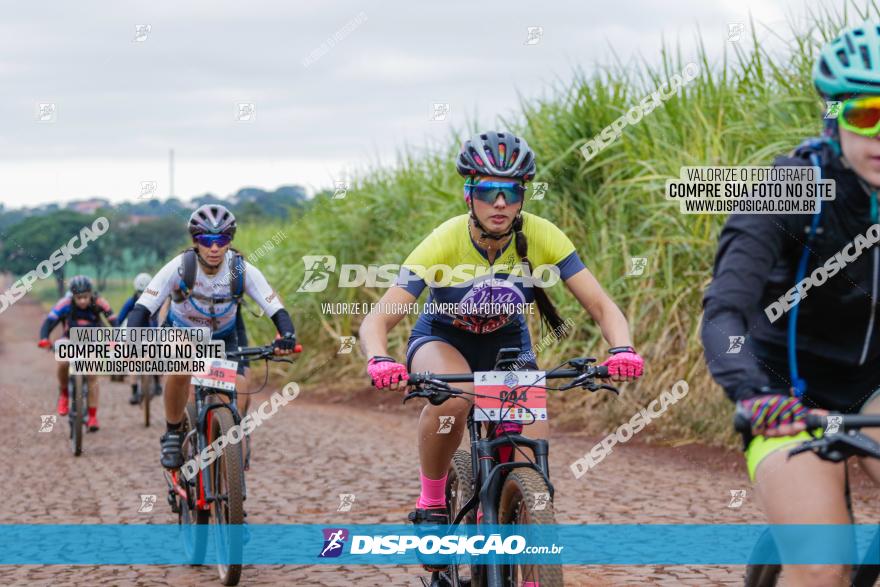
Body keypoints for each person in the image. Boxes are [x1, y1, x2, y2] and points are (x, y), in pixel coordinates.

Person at [359, 130, 643, 576]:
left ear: (521, 196)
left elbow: (603, 306)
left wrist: (622, 348)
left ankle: (519, 520)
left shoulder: (543, 236)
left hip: (508, 350)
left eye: (510, 192)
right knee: (456, 399)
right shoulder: (444, 241)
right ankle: (433, 501)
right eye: (488, 191)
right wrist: (379, 357)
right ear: (468, 194)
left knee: (531, 448)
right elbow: (377, 320)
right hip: (442, 343)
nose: (499, 203)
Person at [701, 23, 880, 587]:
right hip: (786, 396)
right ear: (834, 116)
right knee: (823, 568)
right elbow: (724, 315)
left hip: (872, 391)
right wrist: (754, 395)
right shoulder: (790, 186)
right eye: (869, 114)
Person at [124, 204, 297, 470]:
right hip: (182, 333)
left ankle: (229, 470)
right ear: (196, 241)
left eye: (222, 239)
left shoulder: (240, 269)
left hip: (225, 337)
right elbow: (144, 306)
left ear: (230, 241)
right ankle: (173, 434)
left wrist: (286, 334)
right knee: (181, 366)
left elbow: (273, 305)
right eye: (207, 240)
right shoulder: (180, 267)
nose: (214, 247)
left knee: (239, 393)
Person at [37, 275, 116, 431]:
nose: (82, 301)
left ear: (91, 294)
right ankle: (64, 393)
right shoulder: (64, 304)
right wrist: (44, 338)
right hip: (69, 340)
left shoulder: (100, 303)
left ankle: (93, 416)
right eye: (78, 298)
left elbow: (114, 322)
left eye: (86, 297)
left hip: (91, 342)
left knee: (92, 373)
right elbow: (49, 322)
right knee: (62, 362)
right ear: (72, 296)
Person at [118, 272, 163, 404]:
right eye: (140, 292)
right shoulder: (131, 302)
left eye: (145, 292)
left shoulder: (157, 302)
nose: (142, 295)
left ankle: (157, 382)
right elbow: (120, 319)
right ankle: (134, 391)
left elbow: (161, 319)